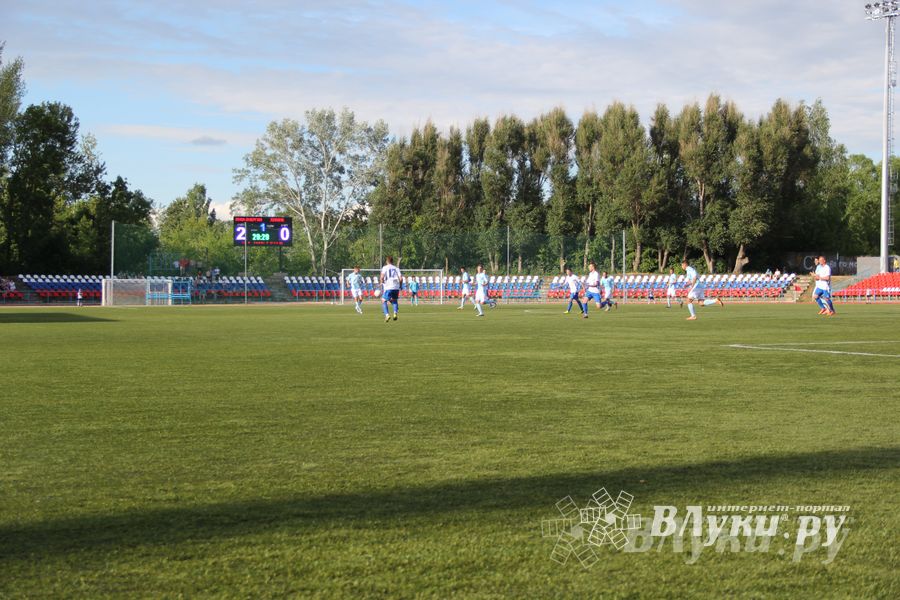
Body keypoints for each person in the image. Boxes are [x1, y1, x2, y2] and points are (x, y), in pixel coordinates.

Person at [380, 256, 403, 322]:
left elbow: (381, 277)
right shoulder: (396, 268)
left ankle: (387, 315)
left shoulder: (384, 267)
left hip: (388, 287)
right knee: (394, 300)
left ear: (387, 261)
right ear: (392, 261)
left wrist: (382, 282)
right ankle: (395, 313)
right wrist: (400, 286)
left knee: (383, 300)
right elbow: (401, 279)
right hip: (396, 287)